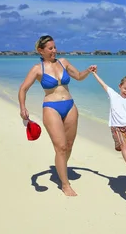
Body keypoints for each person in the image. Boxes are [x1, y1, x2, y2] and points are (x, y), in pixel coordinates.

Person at [18, 35, 96, 197]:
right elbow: (23, 89)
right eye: (50, 48)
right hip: (51, 107)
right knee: (60, 147)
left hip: (70, 106)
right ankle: (65, 184)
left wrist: (88, 71)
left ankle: (61, 168)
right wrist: (23, 107)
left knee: (68, 145)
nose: (54, 50)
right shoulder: (37, 69)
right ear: (41, 50)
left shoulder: (64, 62)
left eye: (55, 47)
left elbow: (79, 77)